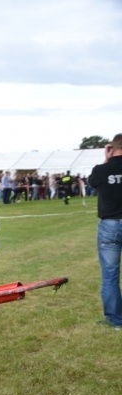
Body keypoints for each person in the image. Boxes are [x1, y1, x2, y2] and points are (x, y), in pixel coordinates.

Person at [88, 134, 122, 330]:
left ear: (112, 147)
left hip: (110, 225)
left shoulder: (102, 170)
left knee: (110, 275)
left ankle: (116, 319)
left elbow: (93, 181)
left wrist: (106, 160)